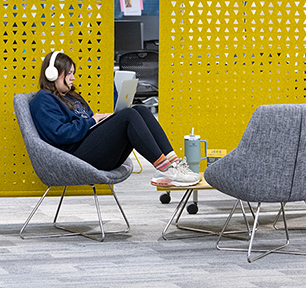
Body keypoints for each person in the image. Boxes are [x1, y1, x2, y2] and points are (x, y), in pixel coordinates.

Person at [29, 51, 200, 187]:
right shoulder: (43, 99)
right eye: (69, 74)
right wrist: (92, 121)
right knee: (128, 115)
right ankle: (165, 169)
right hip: (74, 157)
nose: (73, 78)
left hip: (89, 149)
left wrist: (102, 121)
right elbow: (59, 134)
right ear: (53, 74)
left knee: (140, 110)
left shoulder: (72, 96)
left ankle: (175, 164)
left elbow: (85, 120)